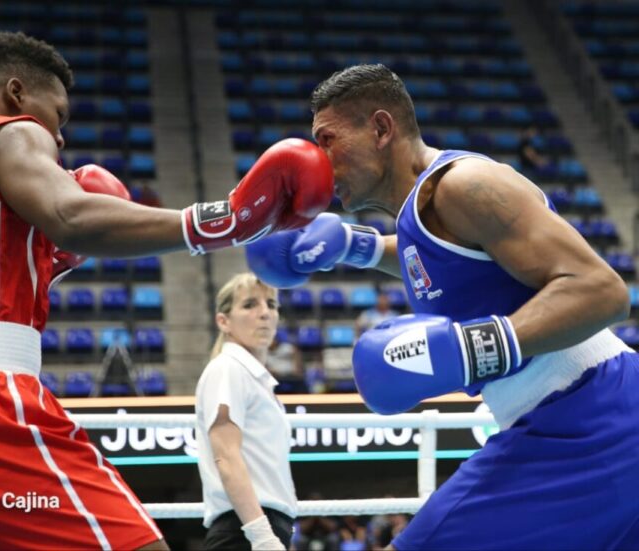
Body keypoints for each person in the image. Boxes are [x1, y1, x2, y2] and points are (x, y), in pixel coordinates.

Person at [0, 31, 333, 549]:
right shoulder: (7, 132)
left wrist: (48, 266)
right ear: (17, 94)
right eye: (59, 116)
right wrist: (220, 222)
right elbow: (69, 214)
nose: (60, 138)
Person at [246, 63, 639, 549]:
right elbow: (439, 258)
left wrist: (473, 350)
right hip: (576, 419)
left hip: (591, 415)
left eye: (327, 141)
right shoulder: (422, 214)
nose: (319, 164)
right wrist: (356, 246)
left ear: (381, 128)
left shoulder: (464, 184)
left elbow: (603, 291)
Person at [195, 273, 297, 550]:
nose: (264, 313)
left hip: (259, 525)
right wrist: (260, 534)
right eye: (250, 305)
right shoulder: (228, 368)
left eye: (271, 304)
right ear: (223, 321)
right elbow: (226, 457)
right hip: (244, 529)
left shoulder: (254, 377)